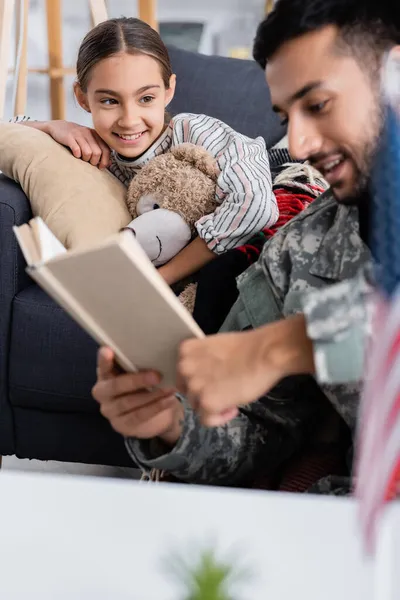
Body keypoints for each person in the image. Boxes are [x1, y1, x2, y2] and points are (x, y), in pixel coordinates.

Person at [92, 0, 399, 491]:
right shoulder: (303, 249)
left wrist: (281, 347)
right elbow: (264, 429)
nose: (297, 144)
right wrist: (170, 425)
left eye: (318, 105)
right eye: (286, 115)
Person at [16, 17, 277, 286]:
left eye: (146, 98)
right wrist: (51, 126)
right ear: (83, 98)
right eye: (109, 101)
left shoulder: (193, 132)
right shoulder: (92, 152)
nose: (129, 120)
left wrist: (167, 275)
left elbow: (256, 206)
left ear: (168, 90)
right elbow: (10, 139)